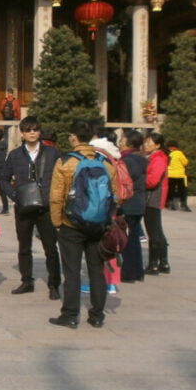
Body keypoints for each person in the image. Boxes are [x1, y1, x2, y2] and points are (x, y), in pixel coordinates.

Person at [48, 119, 120, 329]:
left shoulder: (66, 162)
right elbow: (115, 194)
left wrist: (57, 222)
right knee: (96, 269)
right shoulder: (105, 161)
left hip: (72, 224)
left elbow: (56, 197)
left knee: (71, 271)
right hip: (98, 224)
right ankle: (97, 315)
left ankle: (70, 314)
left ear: (73, 137)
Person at [2, 116, 62, 300]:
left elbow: (61, 177)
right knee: (24, 246)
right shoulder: (15, 155)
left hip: (45, 206)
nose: (32, 133)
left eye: (35, 129)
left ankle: (54, 284)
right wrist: (14, 195)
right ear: (22, 133)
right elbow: (3, 178)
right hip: (24, 207)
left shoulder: (52, 153)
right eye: (28, 130)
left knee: (50, 248)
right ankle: (26, 280)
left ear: (40, 131)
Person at [119, 130, 148, 283]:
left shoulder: (128, 160)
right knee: (134, 237)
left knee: (128, 239)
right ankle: (137, 271)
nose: (120, 141)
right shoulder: (140, 158)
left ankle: (129, 272)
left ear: (128, 142)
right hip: (138, 202)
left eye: (122, 139)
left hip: (130, 203)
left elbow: (125, 181)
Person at [144, 132, 172, 275]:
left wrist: (140, 182)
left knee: (153, 232)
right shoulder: (155, 157)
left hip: (153, 196)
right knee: (157, 230)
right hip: (154, 196)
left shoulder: (158, 158)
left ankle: (154, 264)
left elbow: (152, 180)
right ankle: (163, 262)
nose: (146, 145)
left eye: (150, 143)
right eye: (146, 142)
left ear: (158, 145)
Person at [166, 141, 191, 211]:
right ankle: (184, 205)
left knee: (171, 190)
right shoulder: (179, 154)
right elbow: (185, 162)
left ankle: (170, 204)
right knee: (183, 191)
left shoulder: (169, 154)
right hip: (180, 175)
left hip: (170, 175)